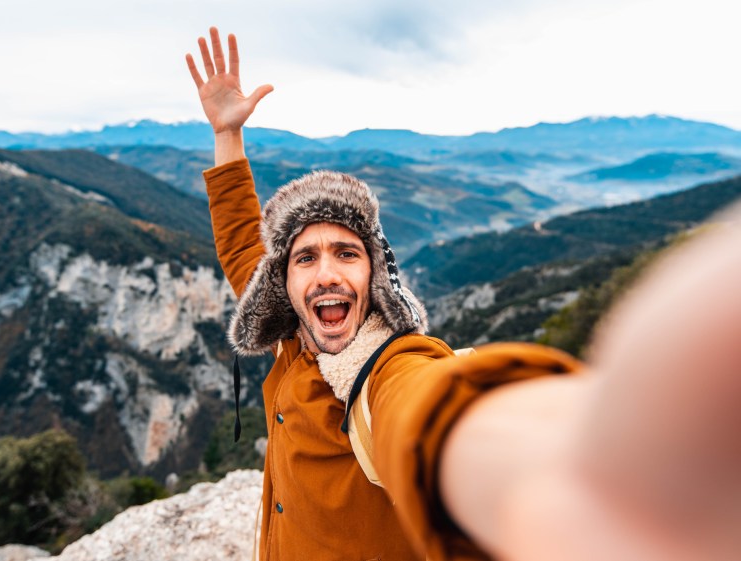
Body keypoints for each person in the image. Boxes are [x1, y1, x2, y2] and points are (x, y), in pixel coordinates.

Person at [186, 27, 741, 561]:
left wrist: (561, 469)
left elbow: (431, 405)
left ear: (375, 274)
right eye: (305, 258)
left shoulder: (384, 367)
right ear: (282, 283)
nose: (325, 274)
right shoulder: (292, 332)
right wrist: (227, 135)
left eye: (346, 253)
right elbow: (241, 245)